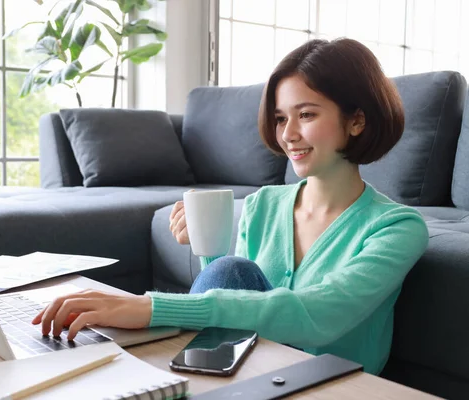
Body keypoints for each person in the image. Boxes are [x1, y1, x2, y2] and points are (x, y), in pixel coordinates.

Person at [31, 38, 429, 375]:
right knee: (227, 268)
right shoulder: (262, 205)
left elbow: (319, 315)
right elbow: (234, 303)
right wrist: (208, 249)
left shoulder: (396, 227)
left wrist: (149, 307)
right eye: (279, 118)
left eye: (305, 115)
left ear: (356, 121)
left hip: (329, 382)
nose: (287, 134)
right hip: (249, 371)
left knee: (226, 273)